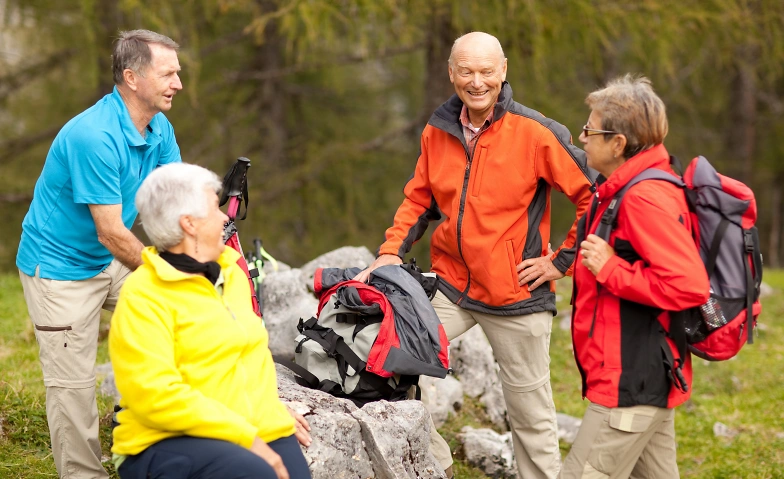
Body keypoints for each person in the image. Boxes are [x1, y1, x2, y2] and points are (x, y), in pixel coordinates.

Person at [355, 31, 595, 479]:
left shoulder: (536, 131)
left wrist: (561, 261)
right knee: (387, 358)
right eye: (466, 71)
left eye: (486, 71)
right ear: (452, 73)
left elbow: (595, 194)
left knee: (530, 415)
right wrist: (389, 252)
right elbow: (419, 198)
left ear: (503, 71)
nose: (477, 81)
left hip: (516, 292)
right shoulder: (439, 128)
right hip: (451, 286)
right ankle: (436, 465)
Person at [16, 29, 183, 478]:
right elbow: (111, 232)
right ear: (132, 77)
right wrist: (168, 271)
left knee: (181, 318)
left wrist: (204, 237)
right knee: (72, 388)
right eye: (168, 74)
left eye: (178, 73)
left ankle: (144, 433)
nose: (178, 83)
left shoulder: (159, 127)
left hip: (110, 258)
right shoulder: (93, 136)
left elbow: (175, 201)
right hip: (60, 268)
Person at [109, 163, 312, 479]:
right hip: (164, 439)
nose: (224, 218)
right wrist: (245, 437)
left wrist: (269, 410)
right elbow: (156, 395)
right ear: (189, 223)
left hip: (245, 425)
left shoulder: (232, 273)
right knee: (257, 472)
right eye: (214, 208)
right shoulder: (144, 294)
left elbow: (248, 357)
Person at [561, 75, 710, 478]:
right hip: (649, 378)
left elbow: (689, 285)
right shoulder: (623, 188)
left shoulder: (643, 197)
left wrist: (611, 269)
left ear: (618, 143)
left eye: (590, 129)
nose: (582, 136)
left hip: (629, 383)